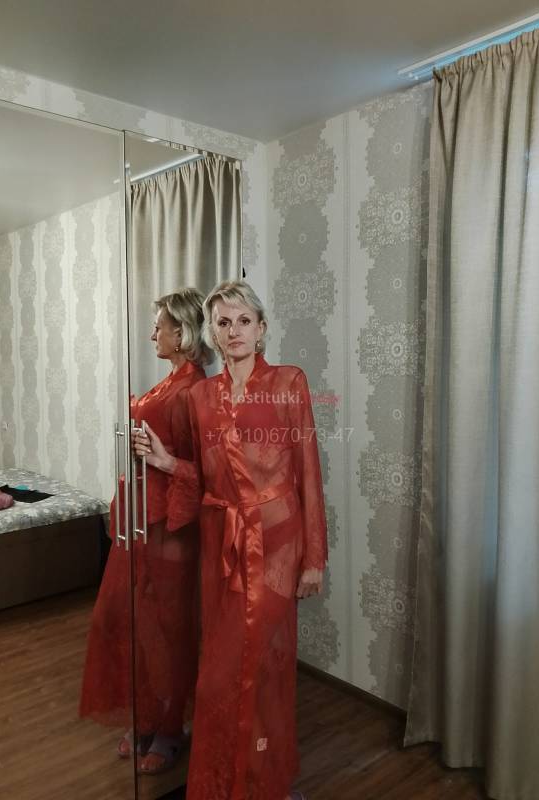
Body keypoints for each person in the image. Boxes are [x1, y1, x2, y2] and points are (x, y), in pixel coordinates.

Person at [136, 280, 327, 800]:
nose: (234, 330)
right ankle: (229, 783)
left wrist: (314, 557)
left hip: (277, 544)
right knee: (221, 670)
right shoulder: (200, 397)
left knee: (262, 665)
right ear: (213, 334)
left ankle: (267, 783)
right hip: (220, 544)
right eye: (223, 323)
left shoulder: (289, 382)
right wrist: (165, 461)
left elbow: (308, 472)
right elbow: (203, 478)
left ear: (261, 329)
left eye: (244, 321)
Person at [79, 288, 211, 774]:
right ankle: (149, 716)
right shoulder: (170, 381)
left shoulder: (195, 388)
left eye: (160, 326)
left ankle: (170, 728)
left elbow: (206, 470)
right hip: (140, 519)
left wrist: (160, 459)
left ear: (182, 332)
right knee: (131, 622)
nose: (153, 333)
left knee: (169, 629)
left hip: (168, 524)